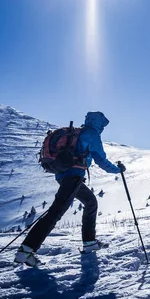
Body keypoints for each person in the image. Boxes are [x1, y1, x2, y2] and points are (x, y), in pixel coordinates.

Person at [15, 111, 124, 267]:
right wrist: (118, 170)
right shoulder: (91, 134)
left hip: (64, 176)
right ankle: (26, 251)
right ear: (99, 123)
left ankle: (89, 242)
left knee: (90, 202)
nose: (103, 128)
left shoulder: (79, 133)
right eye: (103, 125)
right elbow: (102, 161)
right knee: (55, 213)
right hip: (73, 177)